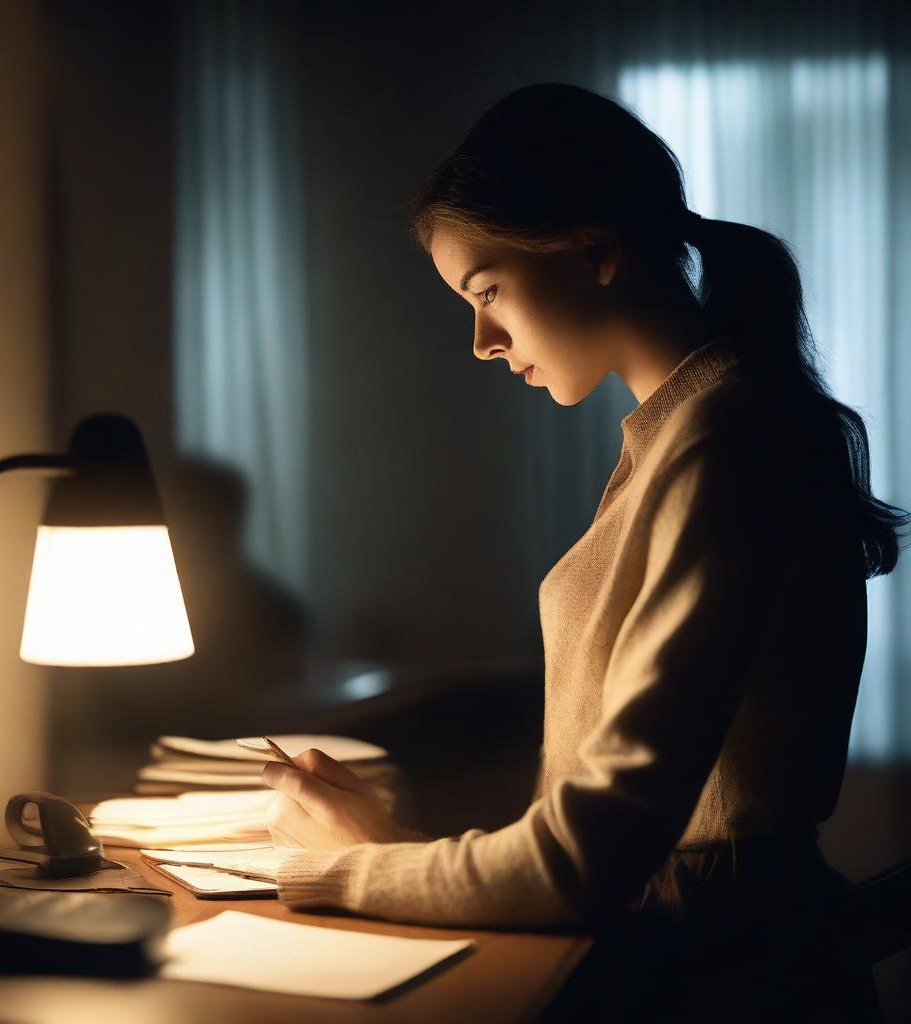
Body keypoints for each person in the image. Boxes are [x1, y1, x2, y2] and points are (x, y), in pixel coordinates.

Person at [261, 82, 909, 1020]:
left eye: (486, 291)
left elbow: (588, 861)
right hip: (678, 955)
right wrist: (394, 843)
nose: (481, 341)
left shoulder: (729, 442)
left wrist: (348, 870)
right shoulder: (686, 431)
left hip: (716, 987)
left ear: (595, 251)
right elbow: (596, 843)